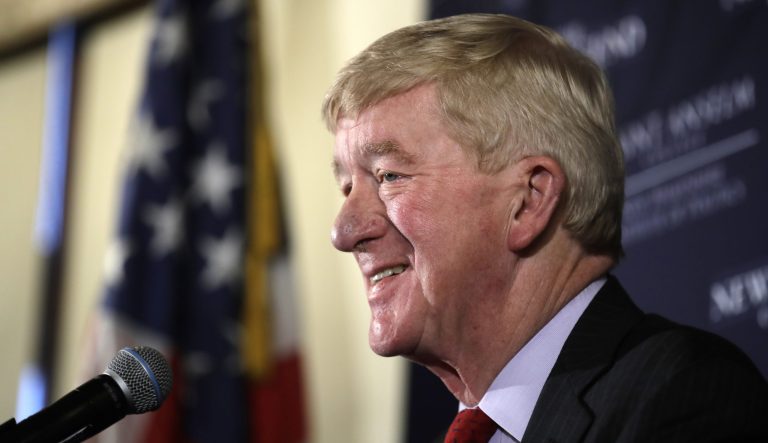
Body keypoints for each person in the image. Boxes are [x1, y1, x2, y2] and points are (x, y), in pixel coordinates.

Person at [322, 13, 768, 442]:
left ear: (529, 201)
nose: (344, 231)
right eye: (346, 187)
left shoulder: (680, 398)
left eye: (389, 176)